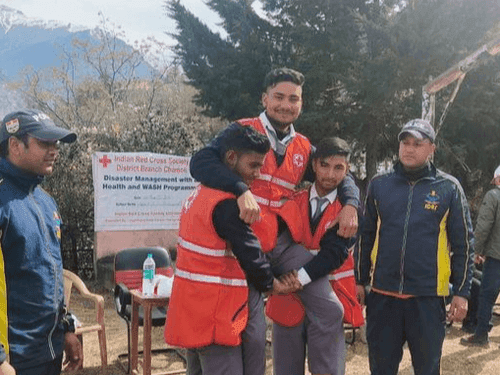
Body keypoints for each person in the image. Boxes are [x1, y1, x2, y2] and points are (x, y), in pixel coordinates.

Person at [189, 67, 360, 375]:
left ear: (301, 103)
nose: (285, 104)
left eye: (293, 98)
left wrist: (351, 203)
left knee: (330, 307)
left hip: (279, 242)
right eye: (279, 97)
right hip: (239, 244)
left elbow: (334, 171)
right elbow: (199, 162)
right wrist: (239, 189)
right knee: (249, 334)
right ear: (264, 98)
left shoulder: (304, 147)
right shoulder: (242, 129)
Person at [164, 125, 301, 375]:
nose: (258, 174)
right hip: (215, 317)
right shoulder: (226, 206)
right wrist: (273, 284)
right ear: (231, 158)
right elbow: (250, 253)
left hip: (193, 312)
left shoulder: (200, 194)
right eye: (253, 166)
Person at [356, 119, 474, 375]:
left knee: (427, 369)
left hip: (427, 298)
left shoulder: (448, 188)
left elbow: (464, 243)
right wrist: (359, 280)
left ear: (432, 148)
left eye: (417, 144)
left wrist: (462, 292)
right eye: (405, 143)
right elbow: (365, 236)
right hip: (383, 296)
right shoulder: (379, 184)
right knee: (381, 368)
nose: (409, 149)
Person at [266, 137, 364, 375]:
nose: (330, 174)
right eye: (325, 165)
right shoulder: (292, 201)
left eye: (338, 168)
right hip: (288, 303)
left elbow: (333, 255)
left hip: (329, 300)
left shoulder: (349, 212)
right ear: (314, 165)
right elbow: (276, 248)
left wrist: (297, 278)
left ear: (347, 170)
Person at [0, 109, 82, 375]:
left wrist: (66, 329)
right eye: (44, 143)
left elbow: (54, 273)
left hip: (50, 352)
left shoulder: (47, 202)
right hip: (14, 358)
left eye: (56, 143)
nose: (54, 150)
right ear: (15, 145)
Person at [461, 165, 500, 346]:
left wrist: (477, 250)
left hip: (496, 255)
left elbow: (484, 226)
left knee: (487, 295)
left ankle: (481, 334)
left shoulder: (494, 196)